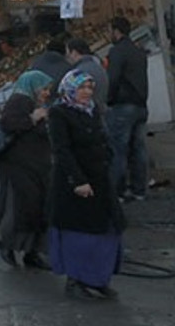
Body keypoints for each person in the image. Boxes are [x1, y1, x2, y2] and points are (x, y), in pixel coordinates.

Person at [48, 69, 126, 300]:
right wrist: (78, 181)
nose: (86, 92)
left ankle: (98, 278)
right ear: (70, 88)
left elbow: (104, 140)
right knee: (79, 235)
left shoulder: (93, 111)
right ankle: (77, 280)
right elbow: (62, 150)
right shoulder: (60, 113)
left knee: (107, 231)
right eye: (82, 87)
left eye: (90, 88)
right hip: (75, 184)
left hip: (100, 180)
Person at [0, 70, 55, 269]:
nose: (46, 93)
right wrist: (33, 119)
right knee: (20, 210)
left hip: (37, 165)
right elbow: (9, 124)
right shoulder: (19, 101)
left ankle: (32, 252)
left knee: (37, 209)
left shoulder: (35, 103)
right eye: (43, 88)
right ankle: (9, 246)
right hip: (21, 166)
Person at [105, 16, 150, 201]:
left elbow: (113, 78)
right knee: (138, 149)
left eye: (109, 30)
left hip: (123, 106)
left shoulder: (117, 51)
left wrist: (108, 99)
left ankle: (118, 191)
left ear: (116, 31)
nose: (108, 34)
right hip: (141, 105)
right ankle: (139, 189)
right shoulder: (138, 51)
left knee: (118, 149)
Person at [65, 38, 109, 108]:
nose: (68, 59)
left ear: (74, 52)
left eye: (68, 55)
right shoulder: (98, 66)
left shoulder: (79, 72)